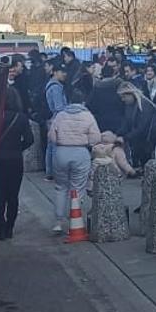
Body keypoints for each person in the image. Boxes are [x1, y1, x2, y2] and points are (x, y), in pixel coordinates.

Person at [46, 98, 102, 234]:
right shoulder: (88, 116)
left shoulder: (60, 115)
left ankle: (58, 222)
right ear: (83, 102)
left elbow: (52, 136)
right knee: (77, 188)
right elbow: (96, 138)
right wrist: (86, 142)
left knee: (60, 187)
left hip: (61, 152)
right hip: (80, 153)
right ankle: (74, 222)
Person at [0, 66, 32, 241]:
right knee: (13, 195)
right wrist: (19, 148)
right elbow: (30, 139)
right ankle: (10, 227)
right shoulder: (21, 118)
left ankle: (0, 227)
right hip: (16, 159)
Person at [40, 63, 71, 181]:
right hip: (57, 119)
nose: (65, 74)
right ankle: (55, 172)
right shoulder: (56, 87)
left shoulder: (49, 85)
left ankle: (50, 172)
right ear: (55, 72)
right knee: (55, 147)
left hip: (51, 119)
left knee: (51, 146)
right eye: (62, 72)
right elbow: (59, 107)